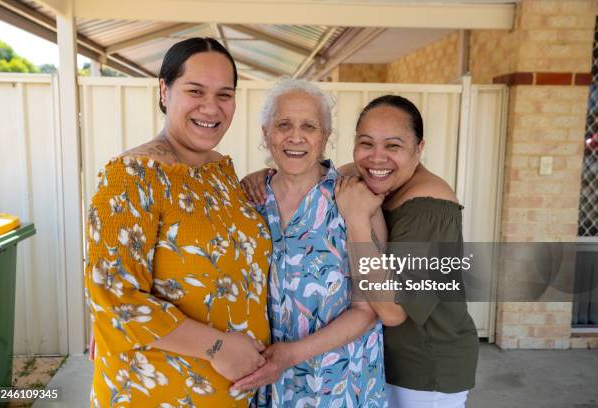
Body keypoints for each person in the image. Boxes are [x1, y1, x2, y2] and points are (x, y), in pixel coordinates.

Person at [241, 95, 478, 408]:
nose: (377, 158)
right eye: (367, 143)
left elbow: (392, 311)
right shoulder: (364, 178)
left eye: (393, 146)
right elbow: (301, 162)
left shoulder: (431, 209)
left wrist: (356, 220)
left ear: (419, 148)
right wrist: (263, 174)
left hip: (423, 367)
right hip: (378, 360)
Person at [84, 37, 272, 407]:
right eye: (195, 91)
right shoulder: (133, 176)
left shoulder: (219, 170)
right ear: (164, 90)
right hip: (156, 391)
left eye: (225, 94)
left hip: (228, 393)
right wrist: (218, 346)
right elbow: (114, 298)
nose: (211, 107)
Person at [232, 79, 387, 407]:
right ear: (265, 133)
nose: (296, 136)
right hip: (266, 381)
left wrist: (291, 355)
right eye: (283, 124)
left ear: (325, 137)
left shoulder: (356, 200)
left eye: (309, 126)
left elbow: (370, 307)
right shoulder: (247, 201)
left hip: (340, 384)